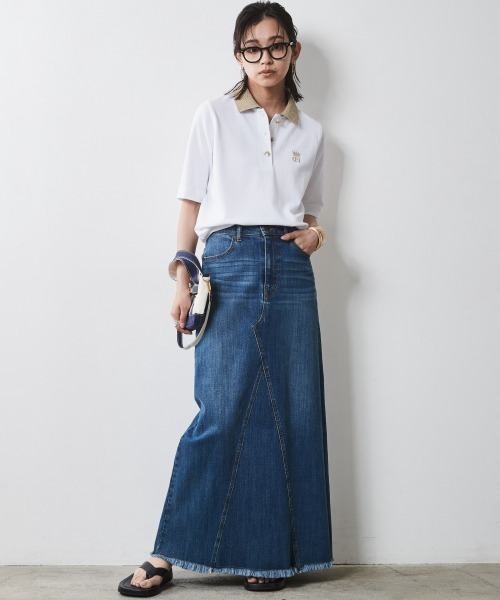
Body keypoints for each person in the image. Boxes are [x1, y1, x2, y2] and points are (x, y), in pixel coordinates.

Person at [118, 1, 332, 595]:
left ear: (293, 50)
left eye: (276, 45)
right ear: (238, 54)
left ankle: (270, 556)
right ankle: (166, 553)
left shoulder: (313, 133)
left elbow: (312, 213)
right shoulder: (213, 115)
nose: (265, 58)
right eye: (252, 48)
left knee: (292, 409)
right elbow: (191, 202)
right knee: (220, 408)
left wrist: (316, 236)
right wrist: (182, 277)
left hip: (291, 270)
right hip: (228, 262)